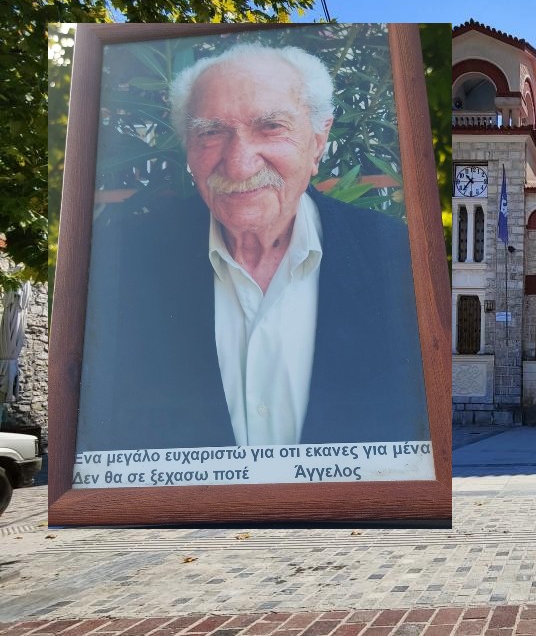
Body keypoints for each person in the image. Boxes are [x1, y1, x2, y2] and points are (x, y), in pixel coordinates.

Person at [77, 43, 430, 451]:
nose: (239, 163)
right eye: (211, 133)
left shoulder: (401, 260)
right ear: (189, 148)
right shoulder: (121, 265)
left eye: (271, 127)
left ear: (319, 140)